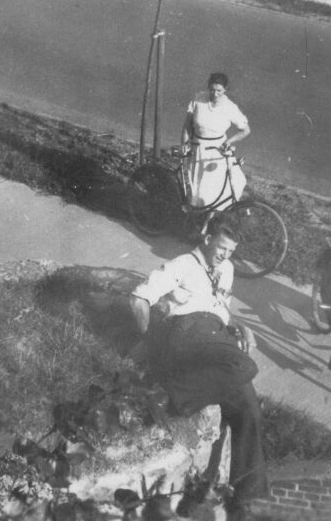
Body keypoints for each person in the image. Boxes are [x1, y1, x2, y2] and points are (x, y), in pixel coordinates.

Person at [130, 215, 268, 508]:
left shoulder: (226, 269)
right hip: (187, 334)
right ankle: (169, 396)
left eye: (231, 251)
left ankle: (245, 501)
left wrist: (239, 326)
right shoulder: (182, 264)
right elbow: (139, 297)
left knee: (250, 411)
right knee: (244, 366)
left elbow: (220, 308)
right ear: (206, 239)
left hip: (216, 339)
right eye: (221, 248)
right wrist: (149, 342)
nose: (225, 256)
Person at [181, 72, 250, 209]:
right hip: (198, 149)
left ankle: (211, 218)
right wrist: (184, 143)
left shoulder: (230, 107)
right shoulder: (198, 100)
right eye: (212, 89)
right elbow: (187, 125)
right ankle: (197, 216)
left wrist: (229, 142)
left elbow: (246, 130)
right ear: (208, 87)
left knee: (223, 186)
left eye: (219, 90)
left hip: (218, 151)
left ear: (225, 90)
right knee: (198, 188)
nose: (215, 93)